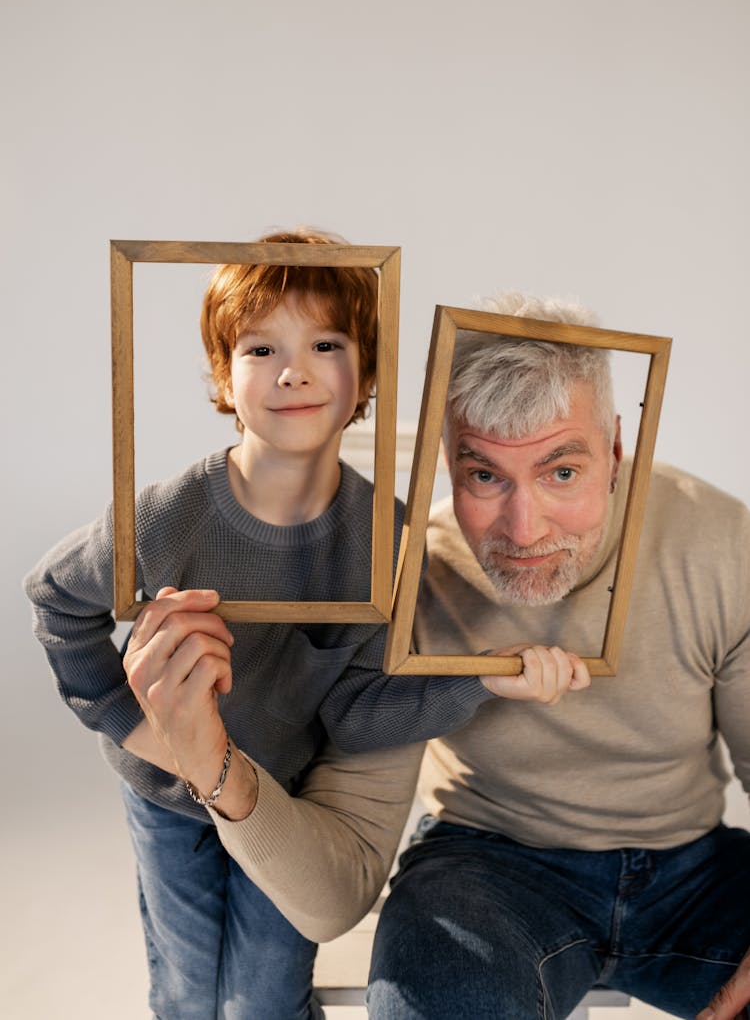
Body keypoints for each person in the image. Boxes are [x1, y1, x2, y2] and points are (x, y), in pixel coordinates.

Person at [24, 247, 588, 1020]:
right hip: (163, 789)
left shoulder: (385, 539)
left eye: (325, 345)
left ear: (365, 375)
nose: (294, 370)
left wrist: (478, 678)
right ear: (225, 377)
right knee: (189, 992)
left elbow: (357, 711)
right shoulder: (167, 514)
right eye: (262, 349)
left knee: (264, 998)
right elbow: (55, 600)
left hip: (278, 795)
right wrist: (135, 726)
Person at [364, 292, 750, 1019]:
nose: (524, 525)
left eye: (561, 472)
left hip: (694, 867)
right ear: (448, 458)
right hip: (487, 864)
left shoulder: (719, 540)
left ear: (613, 448)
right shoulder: (414, 570)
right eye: (486, 476)